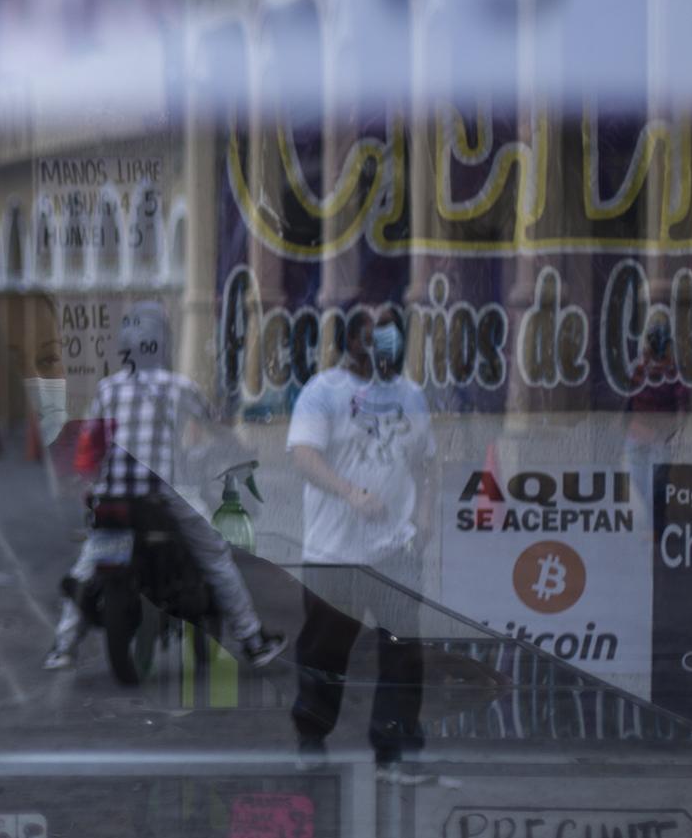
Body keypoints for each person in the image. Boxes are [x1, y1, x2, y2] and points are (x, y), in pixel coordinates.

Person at [46, 300, 285, 671]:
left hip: (113, 497)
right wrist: (241, 449)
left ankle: (63, 646)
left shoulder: (108, 388)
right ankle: (253, 640)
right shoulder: (179, 387)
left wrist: (89, 482)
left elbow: (90, 445)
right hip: (163, 496)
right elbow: (218, 429)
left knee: (87, 562)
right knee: (217, 555)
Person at [286, 304, 433, 758]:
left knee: (401, 648)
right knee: (325, 650)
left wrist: (423, 518)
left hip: (394, 547)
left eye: (391, 333)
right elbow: (304, 456)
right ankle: (312, 733)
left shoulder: (411, 394)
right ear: (353, 341)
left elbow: (426, 464)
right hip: (335, 551)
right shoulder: (323, 391)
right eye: (375, 333)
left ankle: (393, 738)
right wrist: (350, 492)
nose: (386, 342)